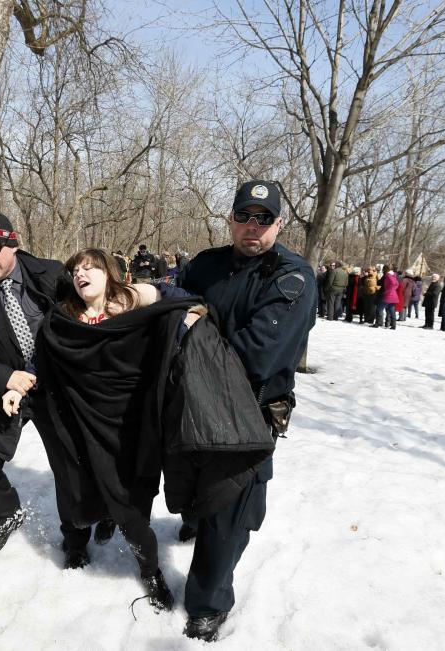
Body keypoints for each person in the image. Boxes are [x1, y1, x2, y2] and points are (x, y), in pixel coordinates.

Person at [27, 248, 205, 612]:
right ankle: (87, 533)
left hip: (130, 425)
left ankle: (150, 570)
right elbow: (39, 357)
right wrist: (18, 385)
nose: (82, 273)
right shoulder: (64, 318)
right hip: (82, 422)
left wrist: (177, 310)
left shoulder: (131, 305)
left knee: (131, 505)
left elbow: (186, 301)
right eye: (76, 269)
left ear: (109, 273)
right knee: (84, 487)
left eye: (91, 267)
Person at [178, 179, 316, 642]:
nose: (252, 227)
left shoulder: (291, 276)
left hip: (249, 411)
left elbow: (260, 353)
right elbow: (173, 314)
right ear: (230, 220)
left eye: (263, 218)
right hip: (193, 400)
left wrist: (197, 332)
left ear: (279, 223)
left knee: (229, 507)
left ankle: (208, 603)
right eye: (243, 216)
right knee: (191, 484)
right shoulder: (205, 265)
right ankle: (192, 519)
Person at [0, 211, 105, 565]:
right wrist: (6, 377)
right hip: (3, 394)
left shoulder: (51, 275)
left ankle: (76, 538)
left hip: (57, 390)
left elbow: (97, 302)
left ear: (12, 243)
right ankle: (6, 513)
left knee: (69, 471)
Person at [373, 264, 399, 329]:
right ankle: (393, 325)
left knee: (379, 309)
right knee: (392, 311)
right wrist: (393, 289)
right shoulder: (394, 275)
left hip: (387, 295)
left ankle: (377, 324)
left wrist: (388, 289)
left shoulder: (387, 275)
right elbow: (397, 284)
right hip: (394, 295)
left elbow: (381, 283)